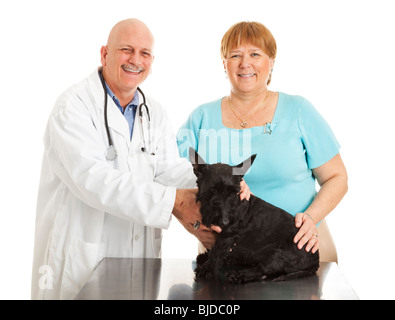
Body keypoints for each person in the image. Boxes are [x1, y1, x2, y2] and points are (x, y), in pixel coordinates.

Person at [31, 18, 249, 300]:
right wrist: (174, 202)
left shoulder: (153, 113)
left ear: (152, 60)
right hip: (82, 258)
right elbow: (94, 179)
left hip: (139, 260)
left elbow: (169, 169)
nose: (135, 60)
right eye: (126, 49)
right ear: (105, 54)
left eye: (144, 53)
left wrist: (220, 185)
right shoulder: (74, 106)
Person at [177, 21, 348, 257]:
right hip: (224, 251)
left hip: (298, 245)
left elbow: (337, 177)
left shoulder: (298, 110)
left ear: (272, 61)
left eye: (255, 54)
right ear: (224, 64)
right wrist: (196, 226)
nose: (245, 63)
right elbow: (174, 180)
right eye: (235, 55)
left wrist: (311, 219)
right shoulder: (201, 117)